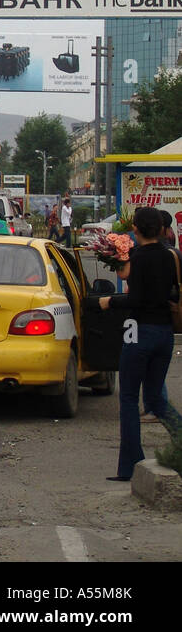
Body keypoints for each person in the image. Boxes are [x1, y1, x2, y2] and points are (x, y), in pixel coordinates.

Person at [99, 206, 182, 480]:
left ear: (135, 230)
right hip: (165, 333)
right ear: (161, 229)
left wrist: (109, 301)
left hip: (137, 330)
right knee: (156, 397)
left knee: (129, 398)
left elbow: (136, 300)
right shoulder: (172, 255)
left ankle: (130, 466)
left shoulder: (140, 258)